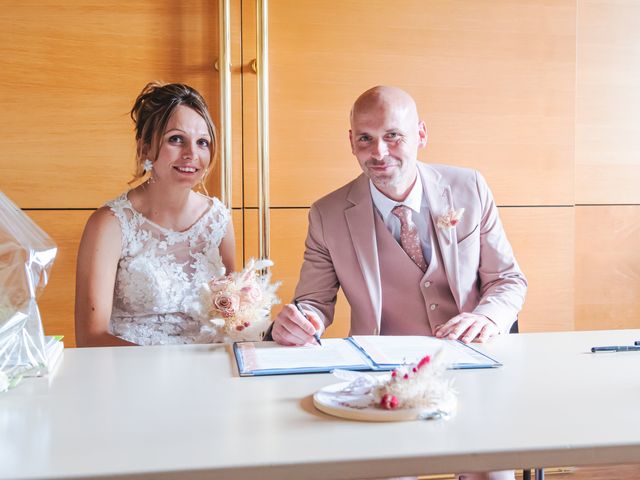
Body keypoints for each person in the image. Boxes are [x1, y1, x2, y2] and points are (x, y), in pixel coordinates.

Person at [272, 86, 526, 480]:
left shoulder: (469, 188)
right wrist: (300, 321)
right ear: (351, 142)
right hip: (383, 377)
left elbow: (508, 280)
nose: (378, 152)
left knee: (490, 473)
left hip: (471, 364)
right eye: (365, 138)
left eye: (393, 136)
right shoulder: (327, 214)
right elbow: (313, 303)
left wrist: (489, 318)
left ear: (421, 135)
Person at [75, 82, 235, 347]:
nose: (191, 154)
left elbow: (230, 318)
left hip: (210, 374)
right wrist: (172, 369)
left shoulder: (218, 220)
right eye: (176, 139)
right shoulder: (109, 224)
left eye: (202, 143)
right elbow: (90, 339)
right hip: (134, 377)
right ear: (145, 148)